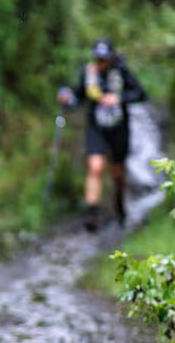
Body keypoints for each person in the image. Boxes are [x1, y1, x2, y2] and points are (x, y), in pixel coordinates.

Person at [57, 38, 147, 231]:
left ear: (112, 58)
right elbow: (78, 96)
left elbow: (140, 94)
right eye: (97, 59)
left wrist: (119, 98)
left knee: (117, 172)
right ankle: (92, 214)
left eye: (104, 59)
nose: (100, 63)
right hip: (96, 126)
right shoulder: (88, 73)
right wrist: (67, 99)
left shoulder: (122, 72)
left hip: (118, 128)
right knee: (95, 166)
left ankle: (120, 205)